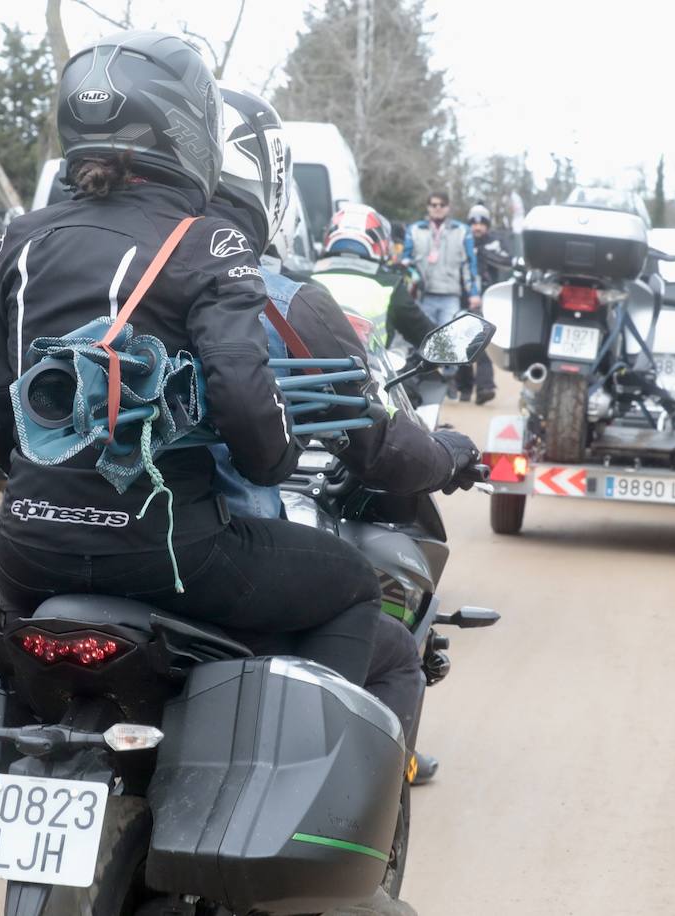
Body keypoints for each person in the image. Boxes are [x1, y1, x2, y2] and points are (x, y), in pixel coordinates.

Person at [0, 30, 383, 689]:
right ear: (190, 130)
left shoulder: (21, 240)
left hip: (24, 551)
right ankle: (287, 767)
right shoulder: (210, 241)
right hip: (169, 554)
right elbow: (247, 407)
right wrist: (274, 461)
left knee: (19, 678)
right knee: (354, 583)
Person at [207, 89, 482, 785]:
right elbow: (368, 444)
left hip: (36, 546)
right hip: (204, 544)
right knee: (361, 604)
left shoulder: (77, 266)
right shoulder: (279, 293)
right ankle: (315, 790)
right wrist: (447, 452)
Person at [311, 204, 437, 351]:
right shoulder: (389, 286)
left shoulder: (301, 281)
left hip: (306, 372)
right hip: (369, 372)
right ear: (381, 243)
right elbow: (428, 338)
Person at [402, 190, 480, 328]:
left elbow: (469, 264)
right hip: (423, 296)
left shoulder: (462, 230)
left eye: (442, 205)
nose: (438, 208)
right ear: (428, 207)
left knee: (448, 342)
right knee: (421, 340)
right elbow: (406, 262)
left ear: (448, 207)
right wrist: (405, 292)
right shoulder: (414, 230)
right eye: (434, 205)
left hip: (450, 296)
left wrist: (473, 293)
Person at [454, 203, 506, 404]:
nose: (477, 227)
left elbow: (508, 260)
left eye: (482, 223)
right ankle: (464, 387)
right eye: (473, 223)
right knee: (461, 339)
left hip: (488, 298)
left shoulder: (495, 242)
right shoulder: (461, 239)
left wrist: (486, 254)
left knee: (484, 341)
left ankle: (485, 387)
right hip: (462, 296)